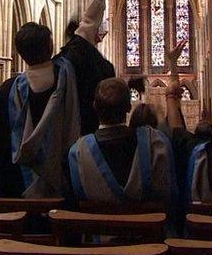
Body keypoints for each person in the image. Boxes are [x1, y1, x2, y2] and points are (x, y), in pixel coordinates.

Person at [0, 22, 81, 198]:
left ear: (21, 53)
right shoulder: (70, 80)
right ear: (50, 46)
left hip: (16, 193)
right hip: (63, 189)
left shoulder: (6, 93)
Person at [68, 78, 175, 206]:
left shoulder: (78, 152)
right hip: (146, 225)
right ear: (129, 107)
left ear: (94, 106)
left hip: (97, 225)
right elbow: (168, 194)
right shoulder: (156, 143)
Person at [55, 0, 116, 135]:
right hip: (94, 134)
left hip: (67, 136)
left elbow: (89, 21)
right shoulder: (101, 66)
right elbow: (90, 20)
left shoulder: (61, 62)